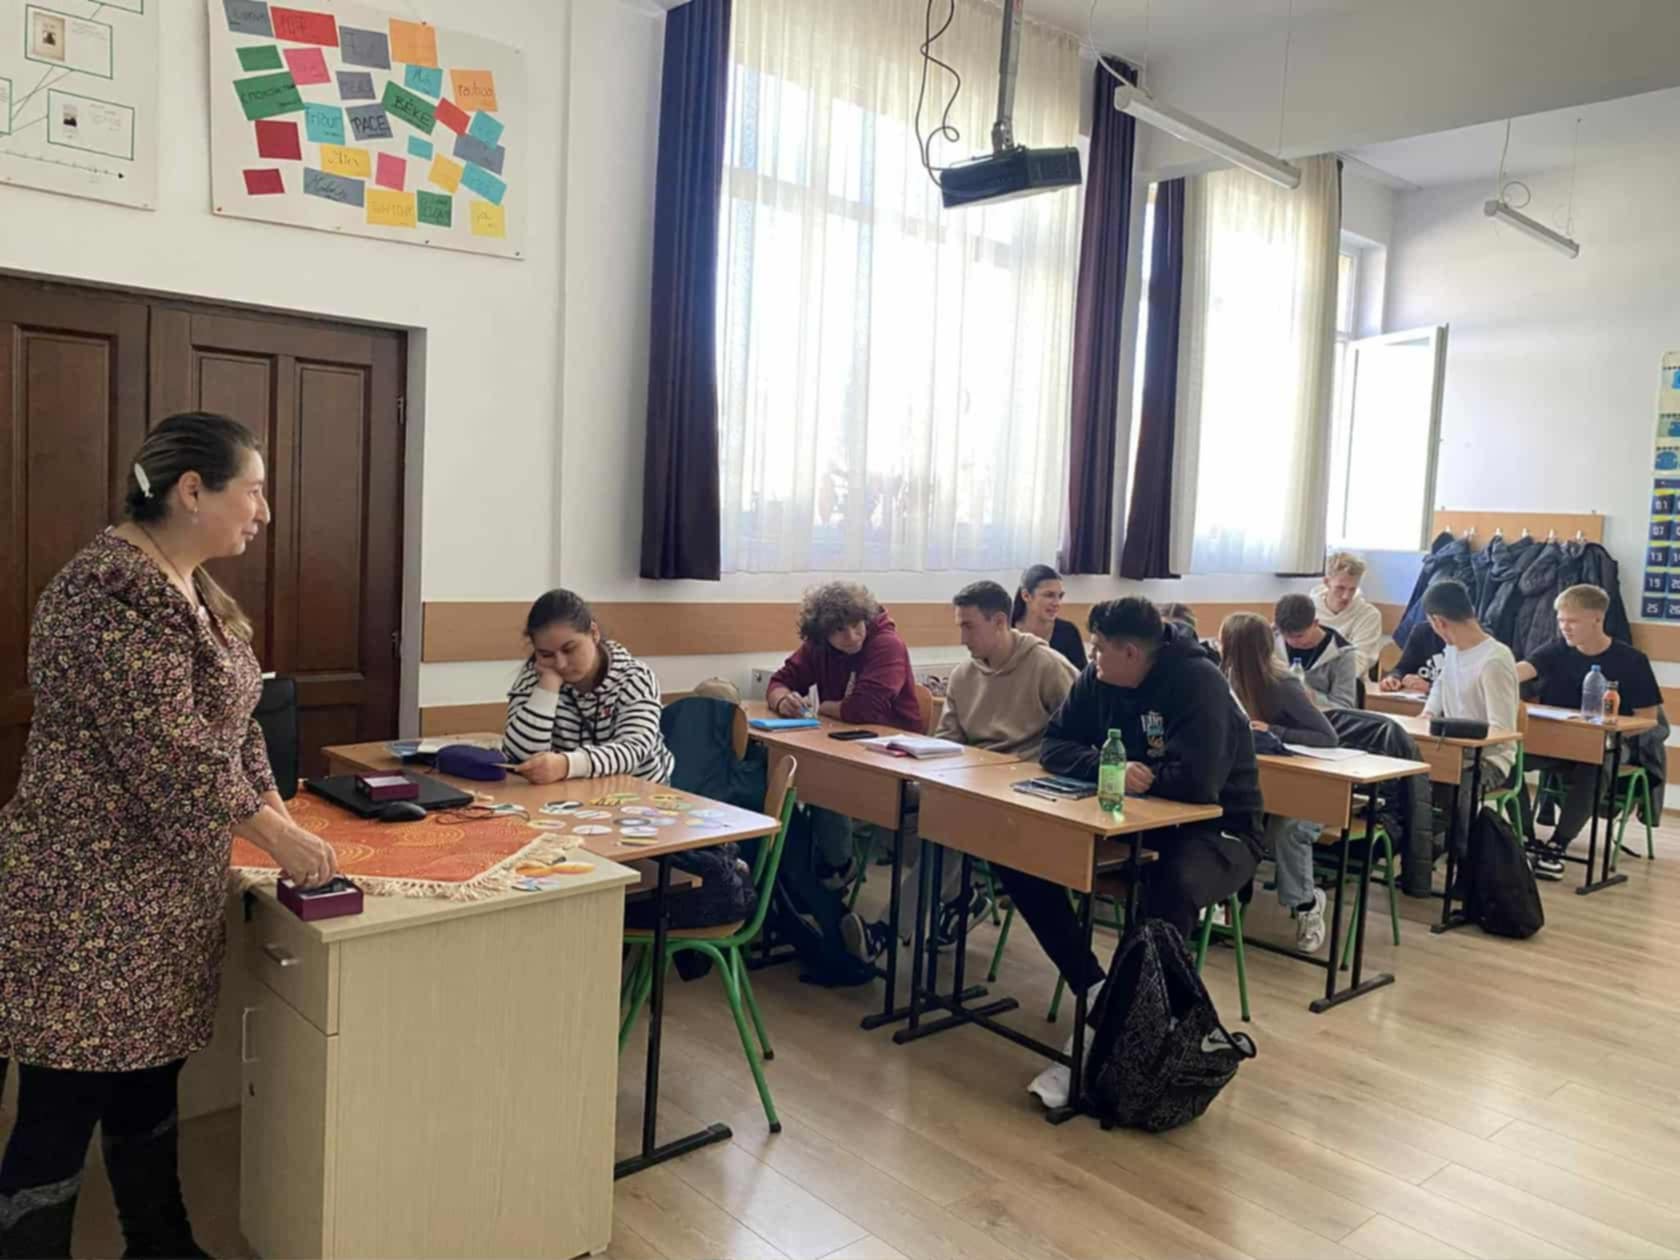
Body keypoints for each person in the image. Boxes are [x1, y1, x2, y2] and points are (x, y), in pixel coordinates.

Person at [0, 413, 338, 1258]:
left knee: (148, 1090)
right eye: (252, 491)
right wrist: (274, 838)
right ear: (193, 490)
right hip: (85, 902)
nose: (263, 512)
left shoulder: (193, 589)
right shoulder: (106, 592)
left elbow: (239, 724)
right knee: (59, 1113)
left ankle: (161, 1246)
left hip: (159, 902)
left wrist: (279, 815)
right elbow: (171, 751)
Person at [1008, 598, 1263, 1107]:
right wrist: (1113, 770)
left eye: (1099, 649)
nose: (1092, 658)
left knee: (1167, 890)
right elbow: (1054, 745)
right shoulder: (1099, 677)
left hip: (1218, 833)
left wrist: (1136, 778)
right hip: (1132, 821)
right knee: (1017, 850)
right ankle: (1096, 986)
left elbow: (1200, 785)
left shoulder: (1198, 682)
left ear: (1130, 652)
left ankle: (1096, 1047)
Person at [840, 581, 1078, 962]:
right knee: (890, 803)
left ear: (999, 622)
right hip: (971, 785)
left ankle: (886, 932)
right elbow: (948, 740)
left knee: (949, 828)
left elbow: (1079, 735)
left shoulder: (1048, 667)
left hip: (1023, 796)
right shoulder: (964, 675)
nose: (962, 637)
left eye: (969, 626)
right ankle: (959, 897)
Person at [766, 583, 920, 875]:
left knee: (822, 777)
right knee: (787, 767)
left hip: (892, 753)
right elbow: (779, 681)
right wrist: (783, 700)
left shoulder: (887, 644)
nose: (851, 636)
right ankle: (812, 867)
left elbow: (863, 710)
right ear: (822, 634)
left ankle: (837, 867)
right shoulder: (818, 647)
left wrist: (824, 707)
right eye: (839, 631)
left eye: (856, 625)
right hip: (843, 744)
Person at [1516, 583, 1663, 878]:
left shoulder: (1631, 660)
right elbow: (1519, 671)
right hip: (1556, 742)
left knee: (1594, 765)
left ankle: (1558, 845)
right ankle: (1526, 839)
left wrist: (1610, 730)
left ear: (1597, 618)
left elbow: (1649, 719)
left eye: (1572, 621)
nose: (1564, 627)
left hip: (1608, 744)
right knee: (1509, 759)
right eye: (1561, 620)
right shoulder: (1556, 649)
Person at [1220, 612, 1335, 951]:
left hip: (1308, 785)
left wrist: (1274, 731)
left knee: (1288, 830)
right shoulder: (1225, 678)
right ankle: (1224, 903)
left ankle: (1307, 905)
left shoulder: (1283, 684)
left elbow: (1327, 737)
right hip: (1256, 782)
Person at [503, 590, 675, 785]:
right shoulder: (536, 676)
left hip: (641, 794)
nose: (560, 664)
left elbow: (633, 750)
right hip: (572, 794)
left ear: (594, 633)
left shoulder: (635, 677)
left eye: (569, 649)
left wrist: (567, 765)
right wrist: (547, 687)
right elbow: (521, 758)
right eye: (546, 654)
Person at [1420, 580, 1520, 858]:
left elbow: (1501, 731)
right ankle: (1423, 852)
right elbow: (1440, 685)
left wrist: (1460, 748)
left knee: (1458, 787)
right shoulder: (1453, 650)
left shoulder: (1494, 660)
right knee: (1410, 779)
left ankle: (1462, 860)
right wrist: (1428, 714)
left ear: (1439, 622)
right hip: (1452, 752)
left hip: (1490, 760)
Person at [1274, 593, 1360, 710]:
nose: (1291, 642)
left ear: (1315, 623)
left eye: (1299, 636)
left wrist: (1314, 698)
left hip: (1321, 718)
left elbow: (1345, 707)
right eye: (1286, 635)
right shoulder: (1271, 639)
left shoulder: (1343, 653)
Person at [1314, 552, 1385, 677]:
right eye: (1340, 588)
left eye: (1352, 589)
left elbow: (1361, 661)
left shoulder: (1369, 615)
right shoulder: (1308, 610)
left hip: (1349, 683)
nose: (1346, 596)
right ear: (1326, 582)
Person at [1012, 563, 1087, 671]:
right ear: (1026, 596)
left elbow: (1080, 676)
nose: (1057, 603)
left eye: (1060, 596)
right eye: (1049, 595)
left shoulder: (1068, 632)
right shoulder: (1007, 630)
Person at [1379, 622, 1445, 694]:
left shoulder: (1453, 639)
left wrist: (1430, 687)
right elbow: (1403, 668)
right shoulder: (1423, 631)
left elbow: (1454, 687)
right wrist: (1394, 678)